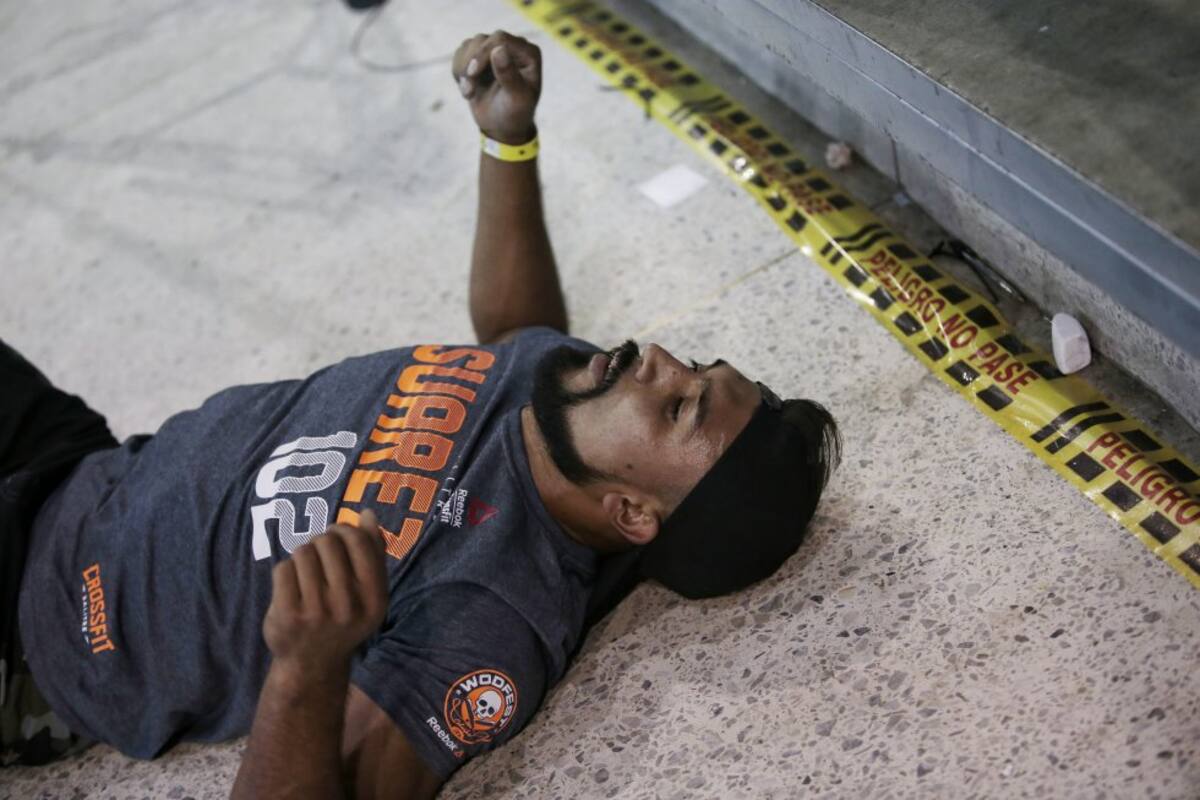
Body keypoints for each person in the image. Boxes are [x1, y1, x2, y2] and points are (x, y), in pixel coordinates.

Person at [0, 30, 840, 798]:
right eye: (695, 364)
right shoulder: (565, 393)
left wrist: (304, 668)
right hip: (73, 466)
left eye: (681, 407)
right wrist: (507, 140)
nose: (659, 360)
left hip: (34, 632)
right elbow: (514, 337)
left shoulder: (489, 618)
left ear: (630, 512)